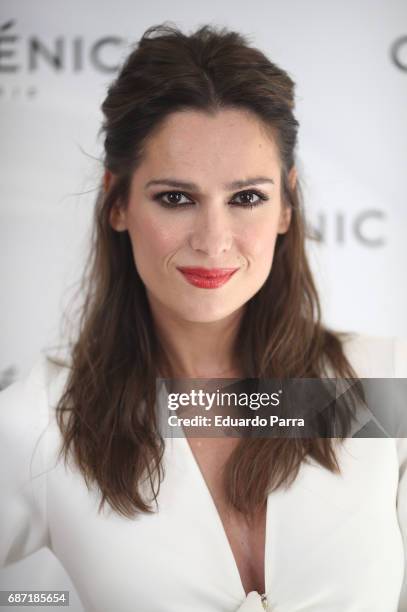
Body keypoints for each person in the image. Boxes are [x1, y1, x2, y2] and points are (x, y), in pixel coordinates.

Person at [0, 22, 406, 612]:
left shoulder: (383, 383)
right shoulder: (42, 417)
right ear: (118, 202)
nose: (214, 242)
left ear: (287, 205)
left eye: (246, 198)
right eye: (176, 198)